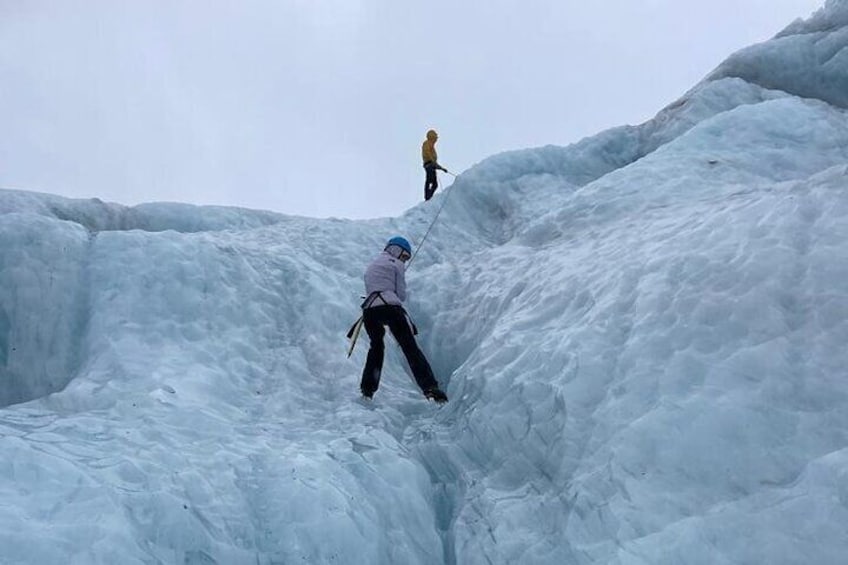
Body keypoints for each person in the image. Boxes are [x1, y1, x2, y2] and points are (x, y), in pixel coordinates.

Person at [359, 236, 448, 403]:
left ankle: (367, 389)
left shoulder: (372, 265)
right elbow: (401, 295)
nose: (405, 260)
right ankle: (430, 387)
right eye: (405, 256)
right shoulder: (396, 264)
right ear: (398, 250)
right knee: (409, 347)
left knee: (376, 348)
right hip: (391, 308)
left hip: (369, 311)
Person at [422, 129, 446, 201]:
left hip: (431, 165)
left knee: (434, 184)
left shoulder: (431, 145)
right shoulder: (427, 143)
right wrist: (433, 162)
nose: (436, 140)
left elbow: (433, 160)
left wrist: (441, 168)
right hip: (429, 165)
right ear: (432, 137)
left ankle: (429, 197)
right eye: (435, 138)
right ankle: (427, 197)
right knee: (429, 180)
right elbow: (427, 153)